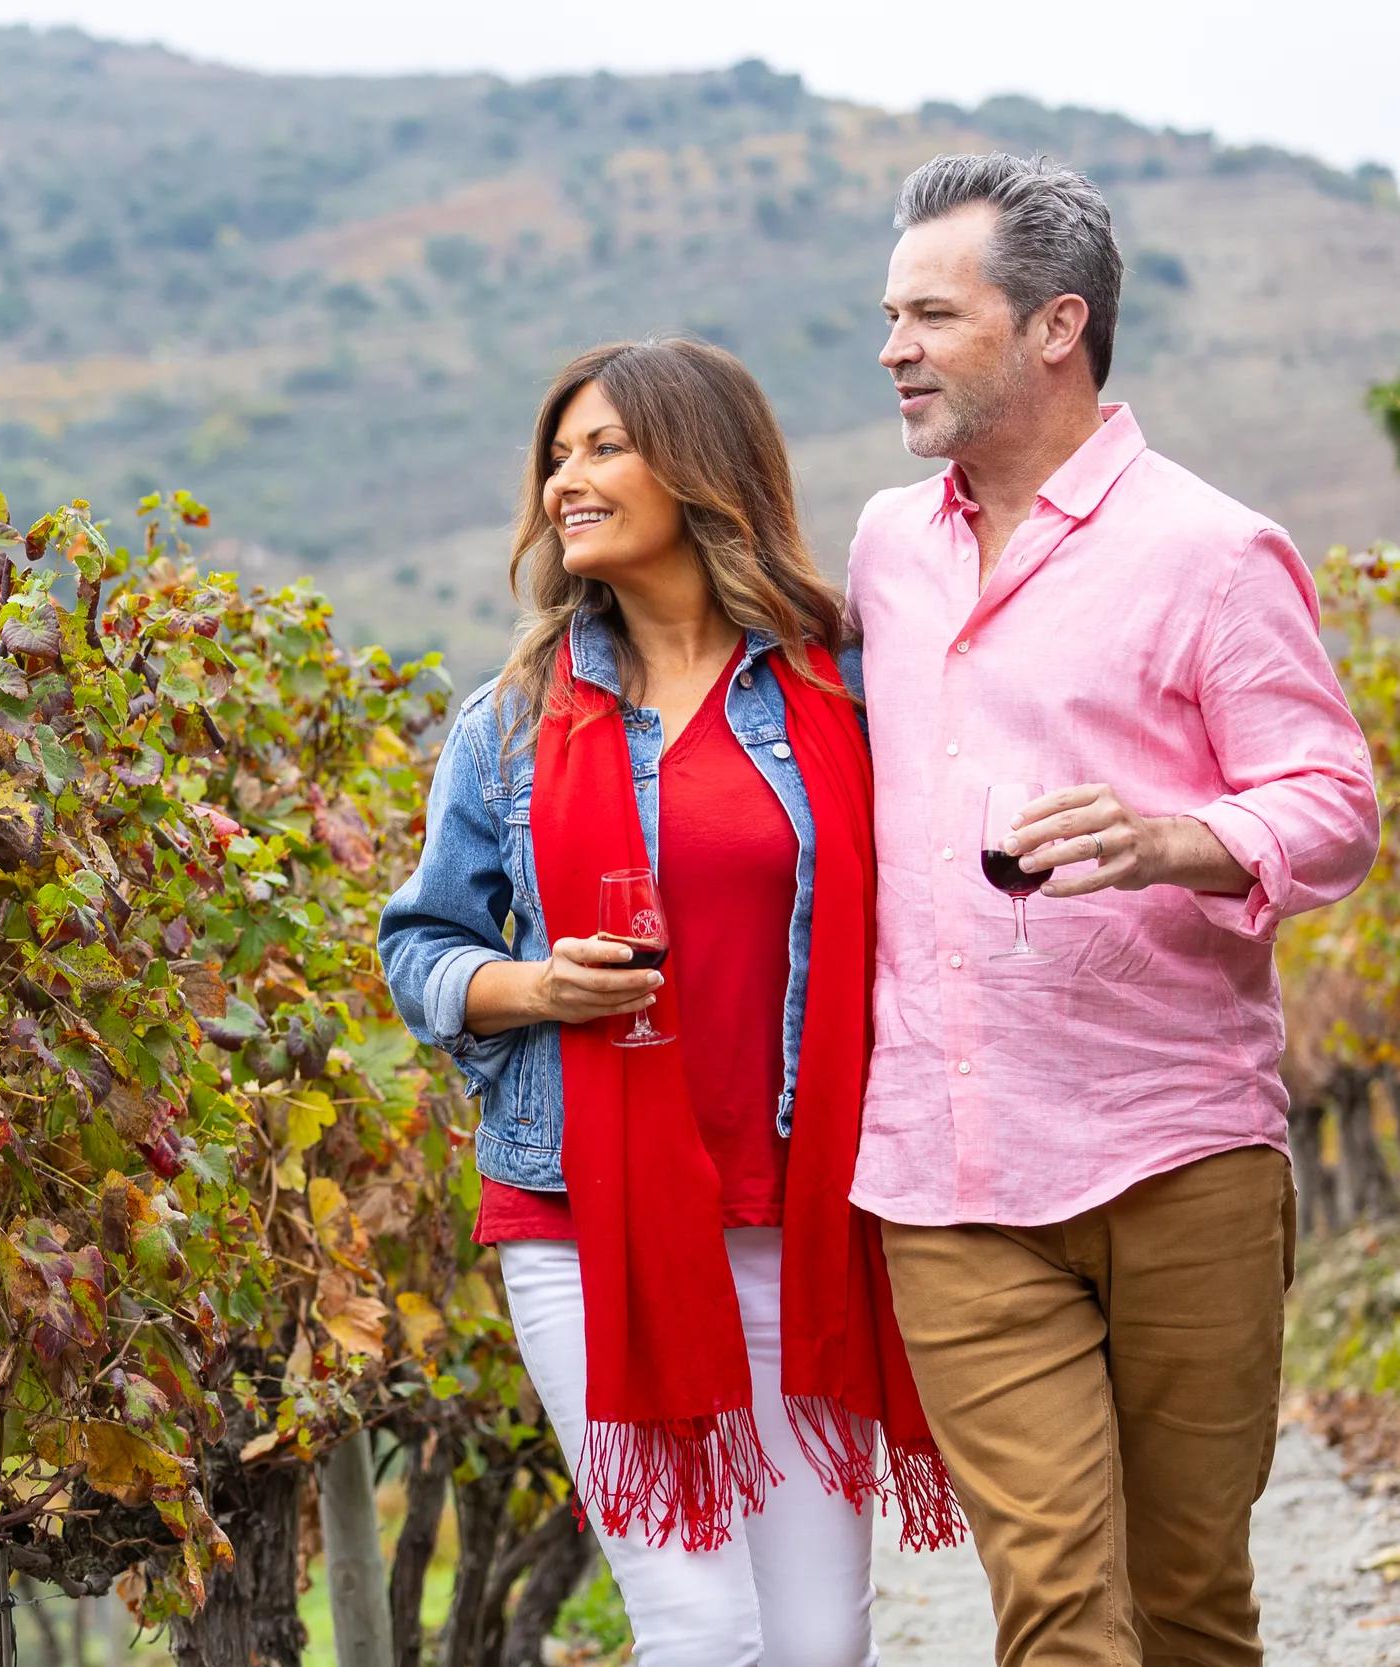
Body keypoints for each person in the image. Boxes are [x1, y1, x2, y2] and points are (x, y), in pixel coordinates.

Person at [849, 152, 1381, 1667]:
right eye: (889, 313)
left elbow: (1334, 808)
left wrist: (1177, 839)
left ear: (1055, 326)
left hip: (1178, 1154)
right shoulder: (887, 547)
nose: (891, 346)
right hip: (951, 1175)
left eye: (931, 315)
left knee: (1195, 1605)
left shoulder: (1212, 552)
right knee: (1065, 1613)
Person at [379, 338, 961, 1667]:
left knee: (821, 1646)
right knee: (702, 1634)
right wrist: (534, 985)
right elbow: (421, 944)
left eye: (602, 448)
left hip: (806, 1217)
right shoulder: (512, 722)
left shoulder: (850, 689)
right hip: (592, 1227)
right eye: (557, 455)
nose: (563, 480)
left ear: (699, 468)